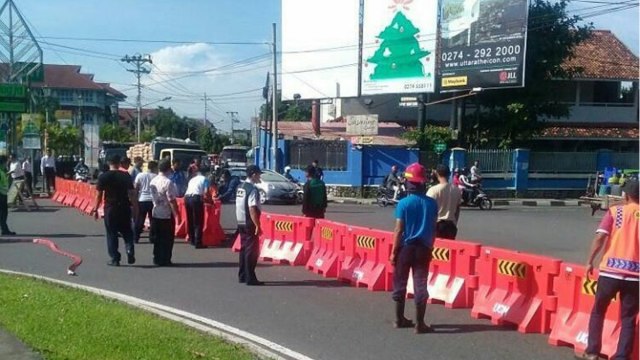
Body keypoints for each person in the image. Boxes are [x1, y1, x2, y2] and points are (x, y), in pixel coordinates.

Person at [579, 180, 639, 360]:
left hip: (610, 272)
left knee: (598, 311)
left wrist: (590, 261)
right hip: (636, 276)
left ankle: (592, 352)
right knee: (628, 318)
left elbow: (600, 237)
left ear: (626, 195)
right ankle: (622, 356)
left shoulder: (615, 211)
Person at [389, 162, 438, 334]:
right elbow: (433, 228)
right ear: (423, 182)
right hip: (423, 249)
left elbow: (398, 230)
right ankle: (420, 324)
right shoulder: (432, 204)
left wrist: (394, 252)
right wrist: (431, 248)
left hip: (405, 248)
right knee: (420, 284)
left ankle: (398, 319)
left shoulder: (403, 203)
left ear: (409, 184)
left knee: (400, 282)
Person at [91, 154, 138, 267]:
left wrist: (95, 209)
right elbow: (132, 193)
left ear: (108, 163)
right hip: (124, 206)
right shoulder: (125, 175)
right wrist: (135, 207)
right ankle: (129, 249)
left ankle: (115, 258)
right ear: (119, 163)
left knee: (111, 233)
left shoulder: (104, 177)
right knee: (127, 231)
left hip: (111, 207)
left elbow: (99, 195)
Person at [236, 165, 264, 286]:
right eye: (258, 174)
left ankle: (242, 275)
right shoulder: (252, 189)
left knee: (243, 249)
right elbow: (252, 208)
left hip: (240, 221)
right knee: (251, 251)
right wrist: (257, 224)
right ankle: (250, 277)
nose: (259, 177)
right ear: (253, 175)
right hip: (249, 222)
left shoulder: (240, 187)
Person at [149, 159, 181, 266]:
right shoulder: (168, 182)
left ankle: (156, 258)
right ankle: (166, 259)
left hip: (156, 211)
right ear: (168, 169)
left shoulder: (153, 181)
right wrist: (177, 214)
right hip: (166, 213)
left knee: (157, 238)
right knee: (167, 239)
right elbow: (171, 200)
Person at [427, 165, 462, 240]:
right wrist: (455, 223)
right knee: (449, 248)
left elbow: (427, 210)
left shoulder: (433, 190)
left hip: (437, 225)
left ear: (437, 174)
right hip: (451, 226)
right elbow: (457, 210)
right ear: (449, 174)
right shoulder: (457, 190)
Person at [133, 160, 158, 243]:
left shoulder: (140, 175)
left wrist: (135, 199)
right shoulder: (156, 176)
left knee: (140, 219)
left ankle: (135, 237)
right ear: (154, 168)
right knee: (153, 220)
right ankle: (153, 238)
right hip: (152, 200)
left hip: (142, 199)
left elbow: (136, 188)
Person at [184, 166, 209, 249]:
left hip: (187, 198)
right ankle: (198, 242)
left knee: (190, 220)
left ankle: (192, 239)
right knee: (198, 221)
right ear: (206, 173)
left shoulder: (192, 179)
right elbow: (206, 192)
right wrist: (209, 200)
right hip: (196, 198)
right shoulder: (205, 179)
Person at [0, 156, 15, 235]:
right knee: (3, 213)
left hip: (3, 194)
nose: (7, 164)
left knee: (4, 213)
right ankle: (4, 230)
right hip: (1, 195)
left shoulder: (2, 170)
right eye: (6, 162)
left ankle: (4, 229)